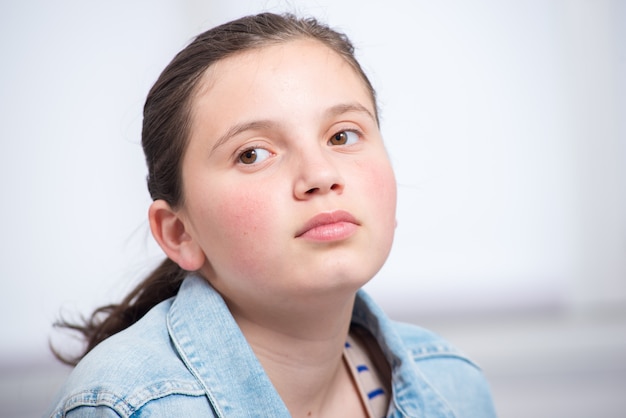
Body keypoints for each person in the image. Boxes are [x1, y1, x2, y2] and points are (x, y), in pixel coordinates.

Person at [47, 12, 497, 418]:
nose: (321, 175)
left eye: (342, 136)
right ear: (180, 233)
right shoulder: (125, 405)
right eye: (253, 153)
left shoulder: (453, 387)